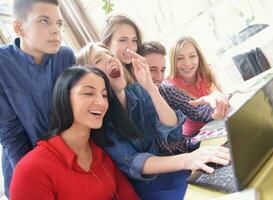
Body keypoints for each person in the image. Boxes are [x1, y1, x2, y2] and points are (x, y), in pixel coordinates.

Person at [76, 43, 230, 200]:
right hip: (153, 185)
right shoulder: (101, 118)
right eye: (99, 59)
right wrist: (187, 160)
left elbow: (172, 134)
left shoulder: (138, 90)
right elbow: (135, 162)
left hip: (177, 167)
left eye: (110, 55)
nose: (109, 59)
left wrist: (151, 88)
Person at [9, 66, 140, 200]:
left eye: (104, 95)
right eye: (89, 93)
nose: (101, 102)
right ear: (64, 98)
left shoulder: (103, 153)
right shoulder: (31, 170)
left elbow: (129, 196)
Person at [0, 0, 75, 196]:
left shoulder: (66, 56)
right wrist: (36, 178)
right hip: (25, 166)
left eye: (59, 23)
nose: (56, 30)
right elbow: (11, 135)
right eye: (44, 21)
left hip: (69, 159)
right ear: (18, 27)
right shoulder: (2, 64)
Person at [166, 36, 229, 136]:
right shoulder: (170, 86)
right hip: (196, 136)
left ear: (198, 56)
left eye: (192, 56)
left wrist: (222, 94)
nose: (187, 63)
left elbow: (226, 88)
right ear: (173, 61)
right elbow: (201, 110)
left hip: (220, 125)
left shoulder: (207, 70)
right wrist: (217, 95)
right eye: (180, 58)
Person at [101, 13, 143, 84]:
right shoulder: (109, 78)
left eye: (134, 40)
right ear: (108, 44)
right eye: (122, 40)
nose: (130, 47)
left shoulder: (136, 70)